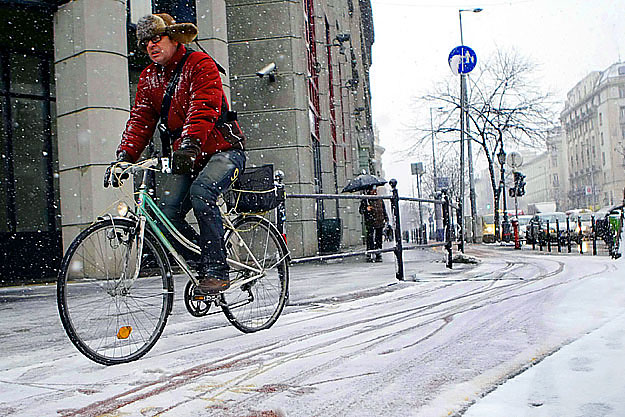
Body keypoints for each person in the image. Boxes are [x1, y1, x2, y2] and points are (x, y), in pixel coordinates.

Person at [104, 13, 246, 293]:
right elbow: (141, 120)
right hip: (187, 155)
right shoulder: (148, 78)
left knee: (202, 192)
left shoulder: (199, 64)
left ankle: (217, 269)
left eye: (156, 39)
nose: (150, 46)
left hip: (224, 150)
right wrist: (125, 157)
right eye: (145, 42)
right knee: (165, 215)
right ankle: (203, 261)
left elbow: (203, 107)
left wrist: (190, 143)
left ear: (174, 37)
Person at [359, 186, 388, 262]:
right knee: (370, 237)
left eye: (375, 190)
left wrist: (386, 218)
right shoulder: (366, 199)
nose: (374, 191)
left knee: (378, 238)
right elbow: (361, 210)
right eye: (373, 190)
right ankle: (370, 252)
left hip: (379, 220)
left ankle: (378, 252)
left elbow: (383, 209)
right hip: (370, 221)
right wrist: (366, 209)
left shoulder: (379, 199)